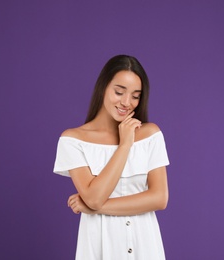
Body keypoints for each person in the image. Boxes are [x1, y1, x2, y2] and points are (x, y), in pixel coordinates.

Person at [53, 54, 170, 260]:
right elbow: (94, 197)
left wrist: (94, 208)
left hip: (146, 248)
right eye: (119, 92)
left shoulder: (151, 135)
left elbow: (159, 198)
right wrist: (125, 145)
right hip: (99, 248)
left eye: (135, 96)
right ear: (103, 87)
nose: (126, 102)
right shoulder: (73, 140)